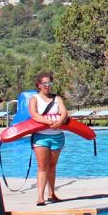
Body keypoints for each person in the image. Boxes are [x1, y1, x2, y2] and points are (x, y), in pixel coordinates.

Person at [28, 71, 69, 206]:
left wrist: (58, 122)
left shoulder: (57, 99)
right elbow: (34, 115)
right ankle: (40, 197)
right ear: (39, 84)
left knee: (52, 166)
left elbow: (64, 112)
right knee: (42, 167)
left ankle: (52, 194)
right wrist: (48, 122)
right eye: (44, 83)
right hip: (41, 137)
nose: (47, 86)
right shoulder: (34, 99)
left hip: (56, 136)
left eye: (49, 83)